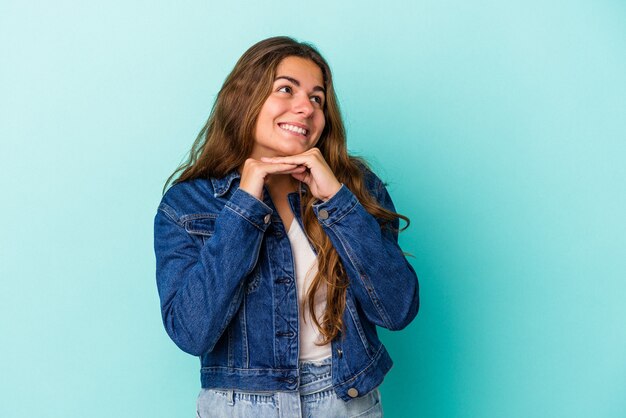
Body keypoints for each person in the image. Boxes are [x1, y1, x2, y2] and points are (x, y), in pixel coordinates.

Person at [154, 36, 419, 418]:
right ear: (246, 98)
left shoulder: (354, 187)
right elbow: (192, 332)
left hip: (346, 401)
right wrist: (244, 205)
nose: (305, 108)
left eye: (317, 98)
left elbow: (397, 310)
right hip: (240, 406)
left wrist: (337, 201)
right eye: (286, 89)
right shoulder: (187, 204)